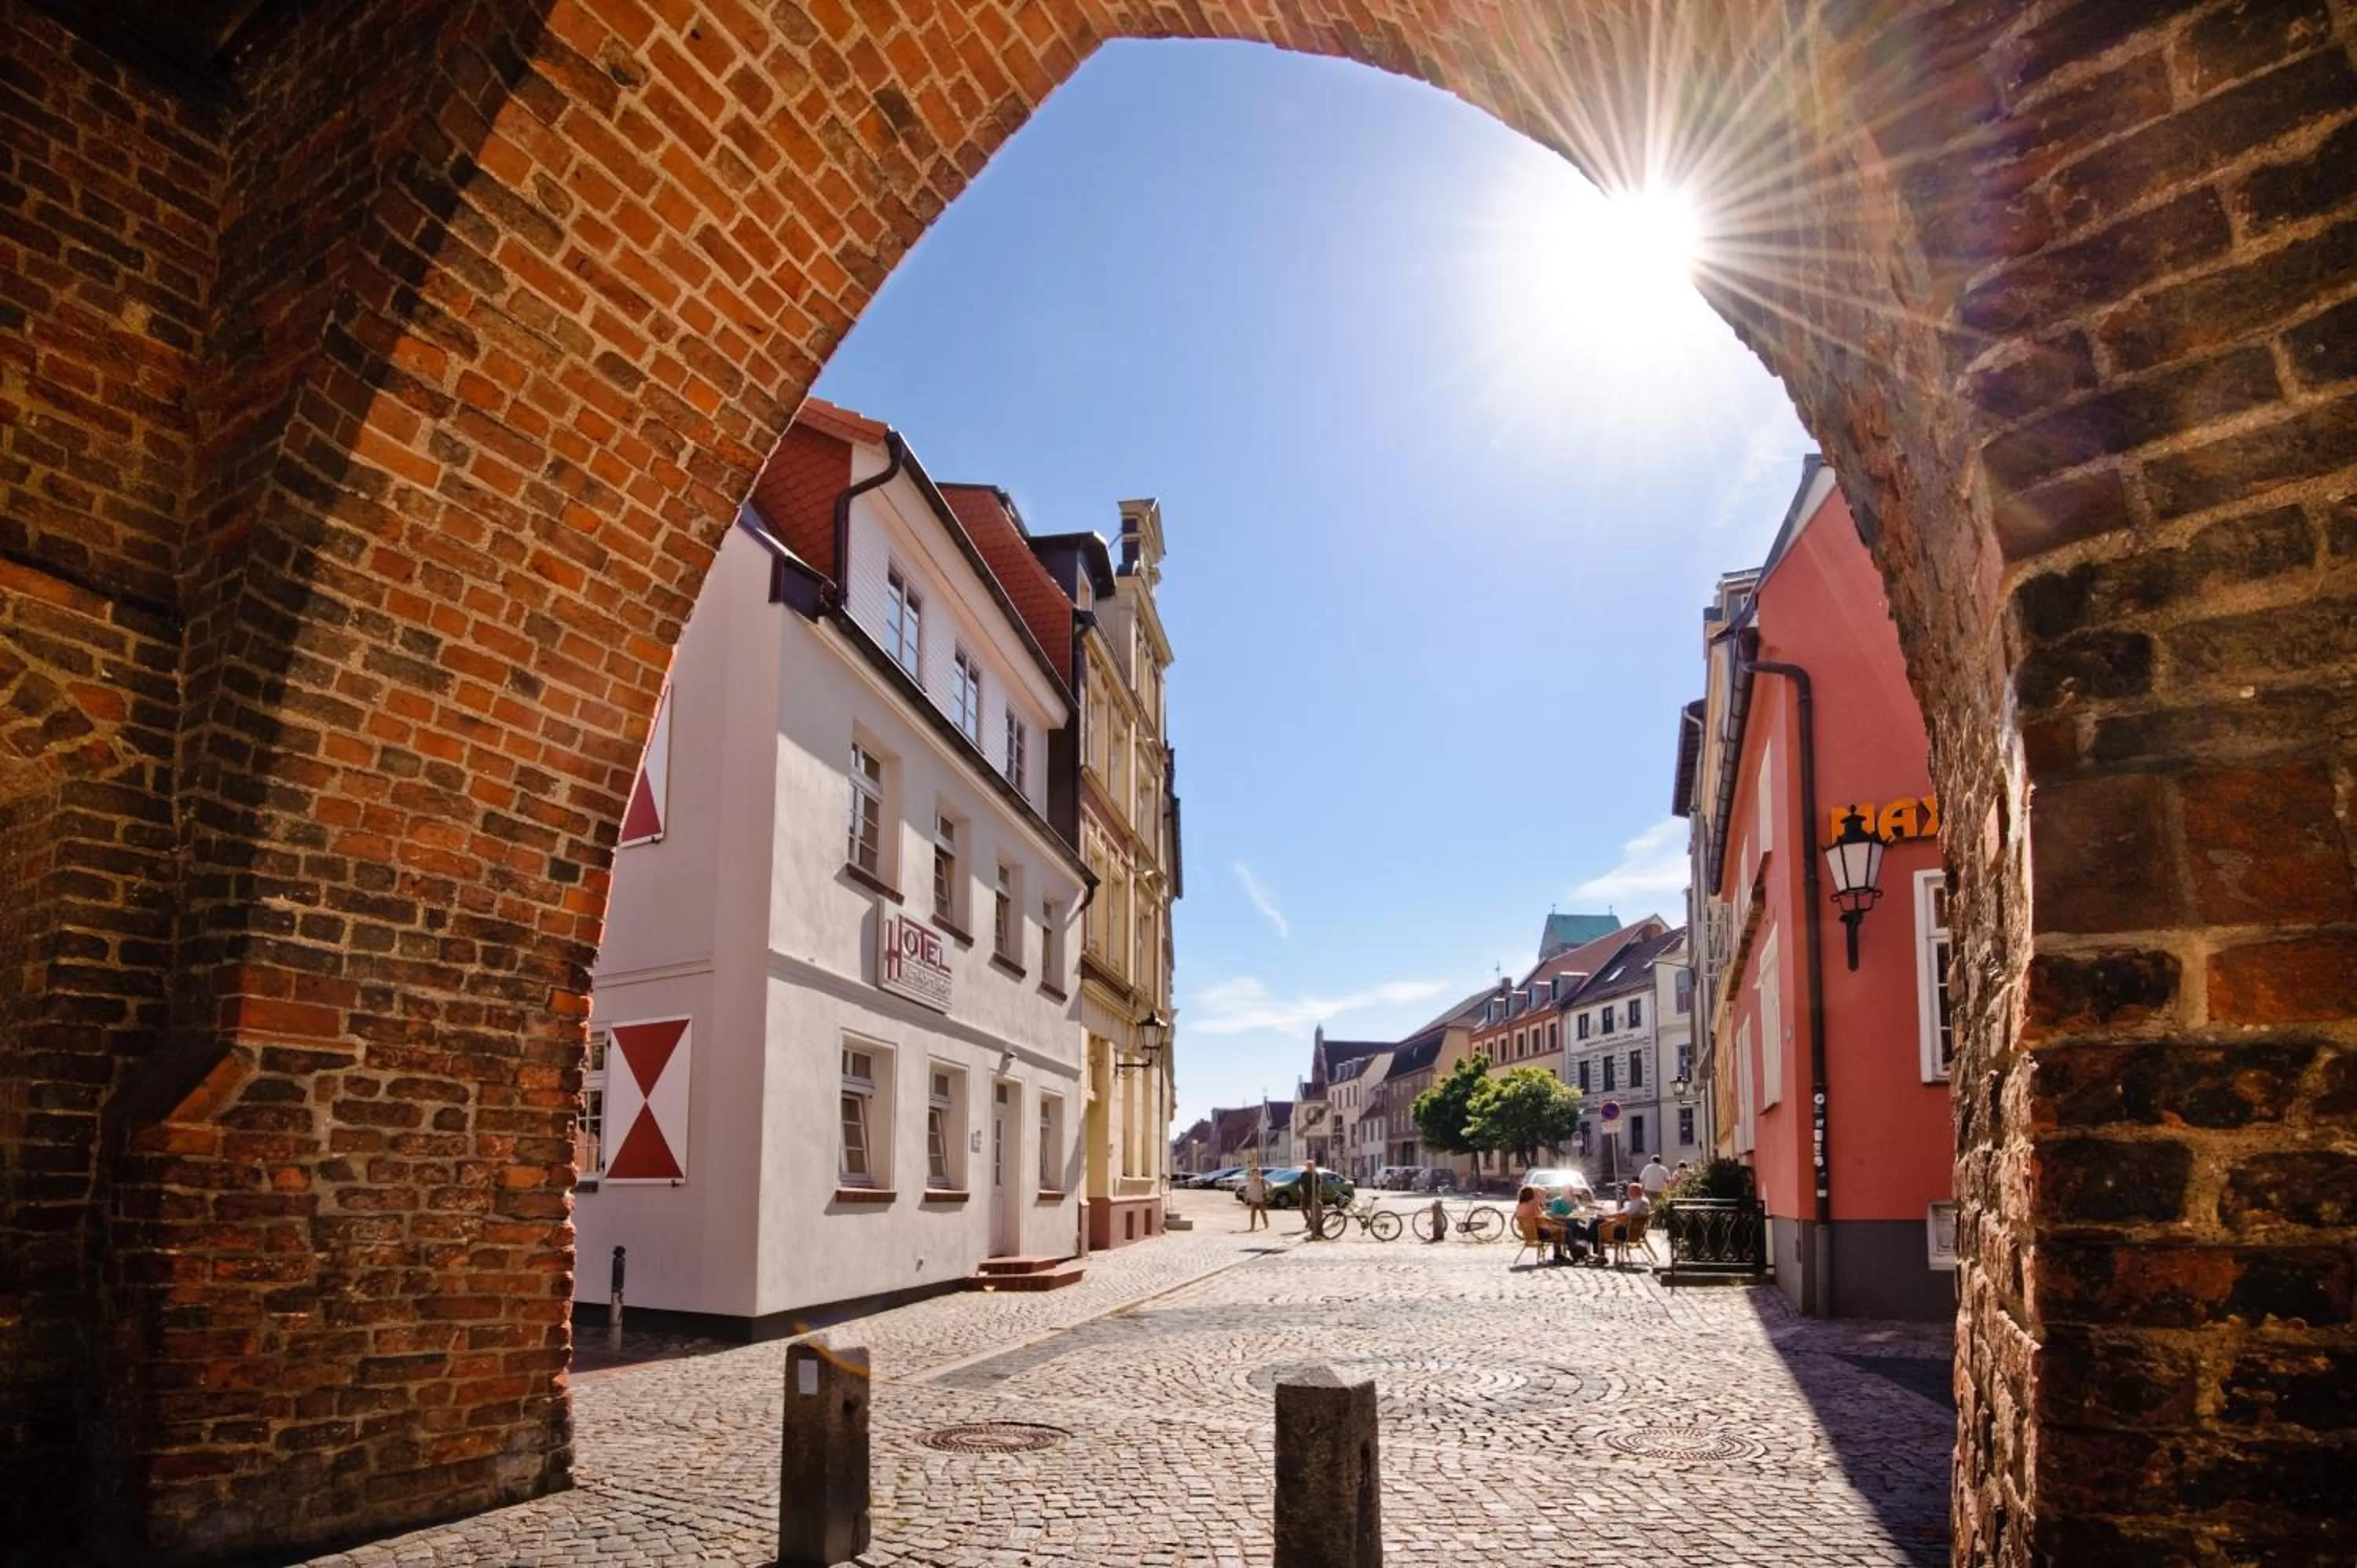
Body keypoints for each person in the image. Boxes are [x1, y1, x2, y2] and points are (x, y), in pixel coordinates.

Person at [1300, 1160, 1325, 1239]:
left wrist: (1318, 1196)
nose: (1309, 1167)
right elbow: (1301, 1184)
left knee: (1313, 1210)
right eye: (1308, 1166)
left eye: (1311, 1166)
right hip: (1305, 1194)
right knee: (1303, 1208)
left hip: (1313, 1195)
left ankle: (1314, 1227)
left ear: (1313, 1167)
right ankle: (1309, 1221)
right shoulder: (1304, 1174)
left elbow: (1319, 1186)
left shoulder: (1316, 1175)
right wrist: (1301, 1190)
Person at [1241, 1163, 1268, 1231]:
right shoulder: (1251, 1181)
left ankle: (1266, 1223)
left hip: (1261, 1199)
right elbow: (1249, 1189)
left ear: (1259, 1173)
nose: (1256, 1174)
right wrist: (1247, 1198)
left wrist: (1266, 1191)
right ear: (1253, 1174)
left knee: (1263, 1213)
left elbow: (1270, 1185)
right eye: (1255, 1173)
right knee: (1253, 1214)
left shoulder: (1262, 1180)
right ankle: (1252, 1227)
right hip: (1253, 1199)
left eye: (1257, 1173)